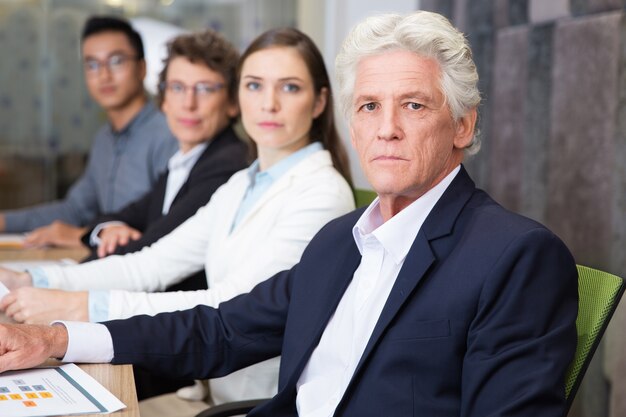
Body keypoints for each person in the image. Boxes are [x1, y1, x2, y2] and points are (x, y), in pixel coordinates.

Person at [0, 11, 578, 417]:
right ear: (350, 121)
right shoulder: (339, 242)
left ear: (463, 125)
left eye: (414, 105)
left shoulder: (516, 256)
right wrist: (53, 338)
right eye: (370, 106)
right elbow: (221, 327)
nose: (386, 129)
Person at [0, 27, 355, 408]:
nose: (268, 103)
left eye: (289, 88)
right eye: (254, 85)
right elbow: (150, 265)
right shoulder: (243, 182)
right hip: (215, 389)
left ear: (319, 102)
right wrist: (32, 278)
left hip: (261, 401)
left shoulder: (322, 193)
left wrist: (79, 307)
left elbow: (230, 308)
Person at [0, 16, 177, 247]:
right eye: (92, 64)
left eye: (116, 61)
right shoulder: (104, 139)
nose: (104, 75)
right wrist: (4, 221)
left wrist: (82, 236)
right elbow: (75, 210)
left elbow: (170, 226)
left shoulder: (169, 132)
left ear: (142, 68)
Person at [79, 30, 248, 263]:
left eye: (205, 89)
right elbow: (117, 217)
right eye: (177, 88)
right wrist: (110, 230)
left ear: (232, 103)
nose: (188, 104)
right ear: (164, 100)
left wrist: (50, 280)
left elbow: (153, 251)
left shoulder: (226, 165)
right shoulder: (184, 162)